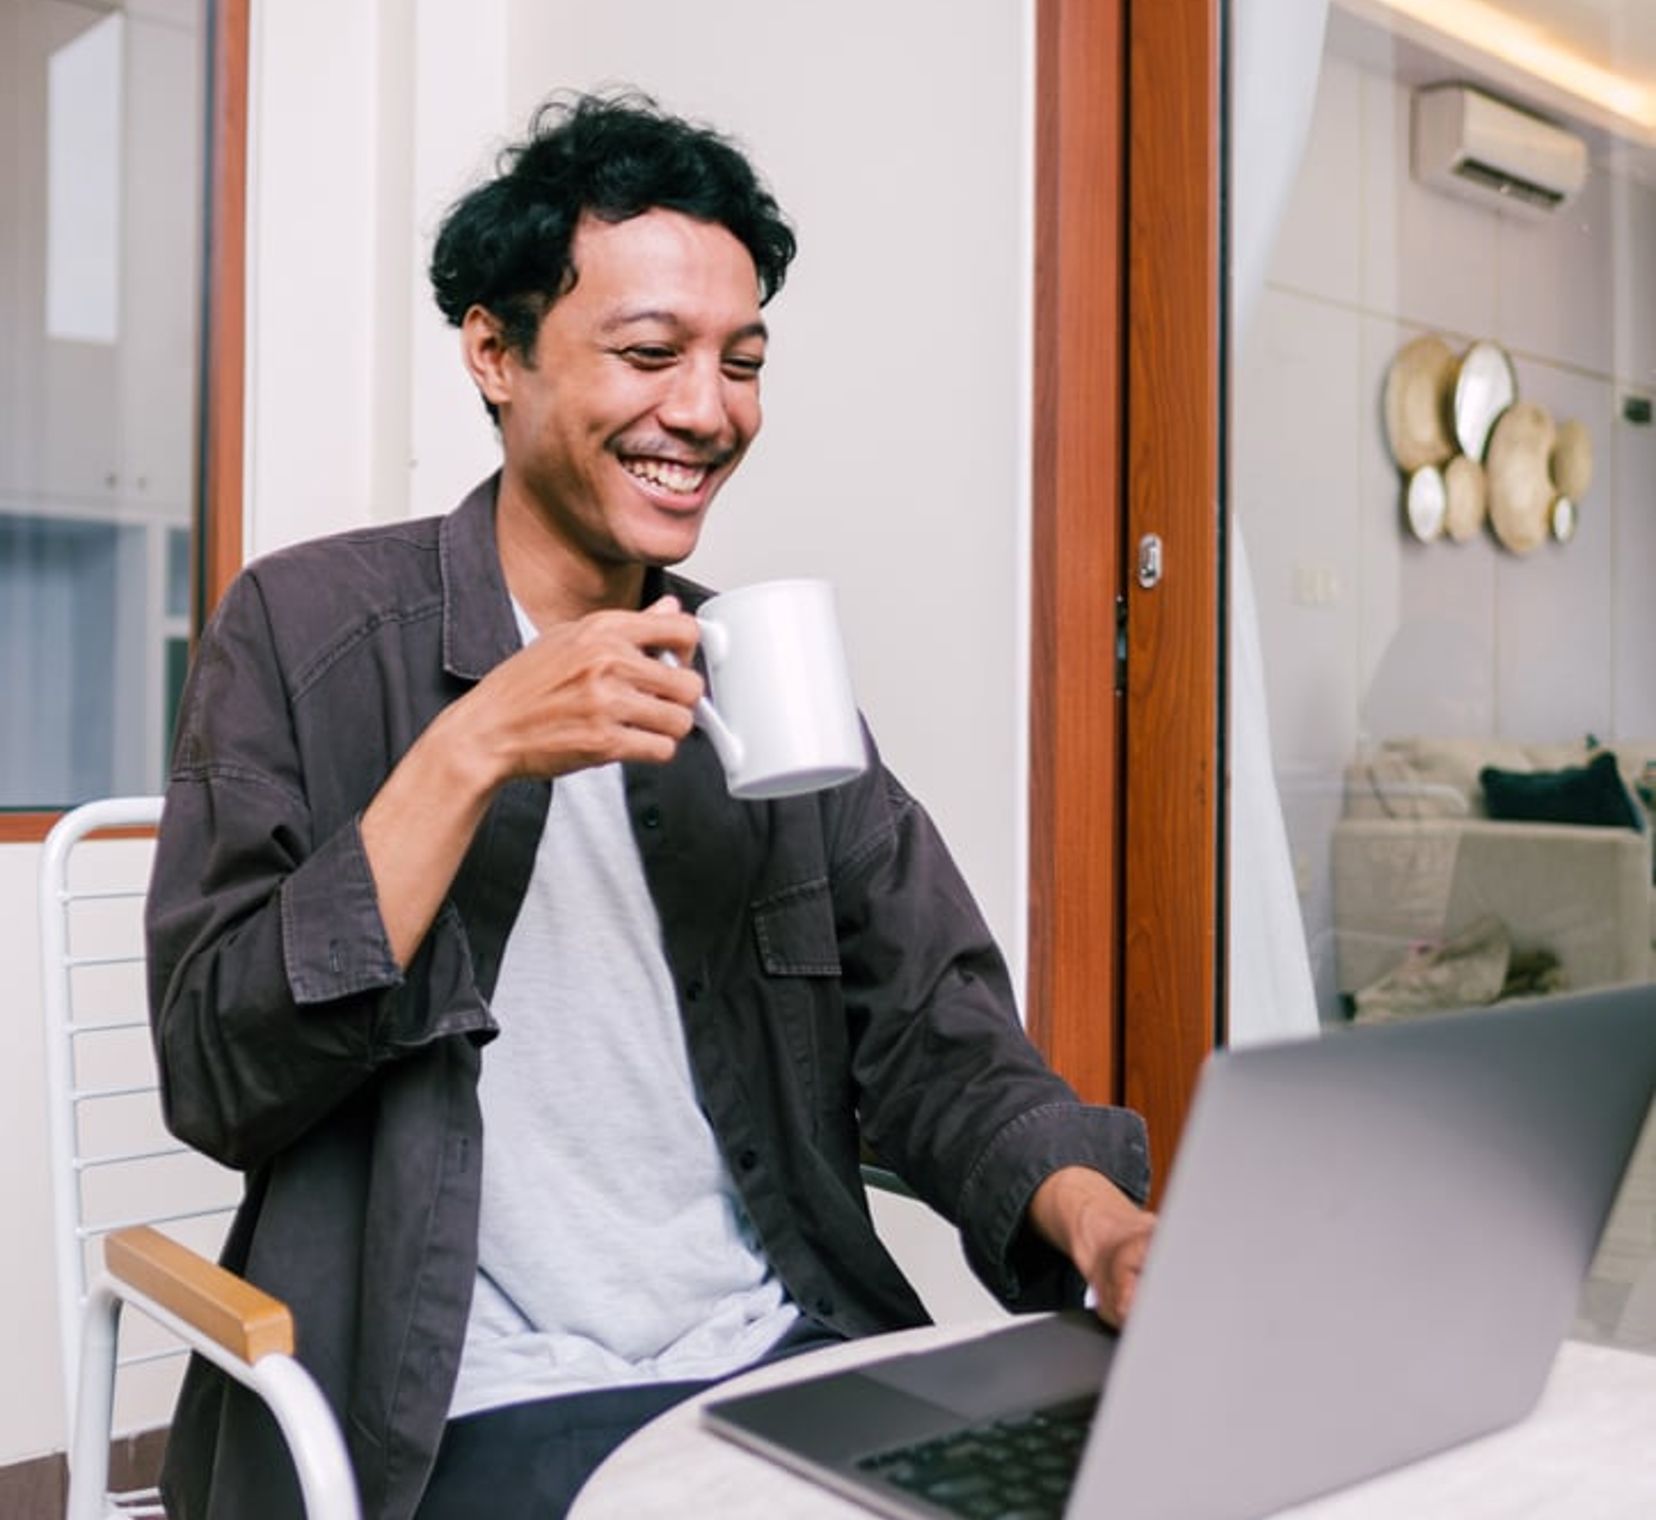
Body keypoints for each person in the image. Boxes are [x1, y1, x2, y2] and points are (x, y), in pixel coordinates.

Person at [146, 92, 1154, 1520]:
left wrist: (1102, 1224)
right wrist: (470, 749)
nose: (706, 409)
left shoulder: (761, 674)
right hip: (468, 1398)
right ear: (494, 354)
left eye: (742, 361)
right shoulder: (306, 633)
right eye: (648, 353)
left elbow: (938, 1036)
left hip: (781, 1350)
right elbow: (214, 1069)